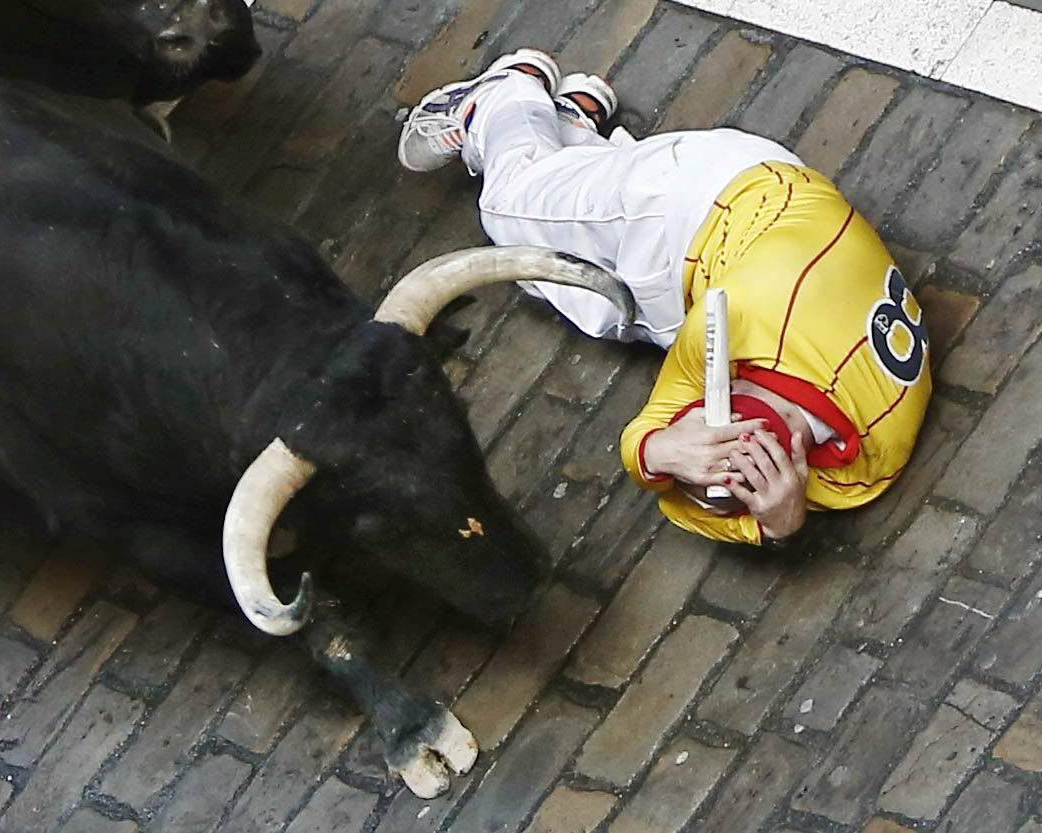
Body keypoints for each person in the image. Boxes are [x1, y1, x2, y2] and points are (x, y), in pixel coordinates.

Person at [397, 49, 932, 547]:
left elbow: (676, 482)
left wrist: (778, 523)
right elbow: (648, 435)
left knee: (592, 300)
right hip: (704, 196)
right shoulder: (739, 323)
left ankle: (556, 123)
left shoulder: (859, 470)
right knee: (510, 214)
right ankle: (505, 96)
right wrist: (658, 454)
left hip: (746, 248)